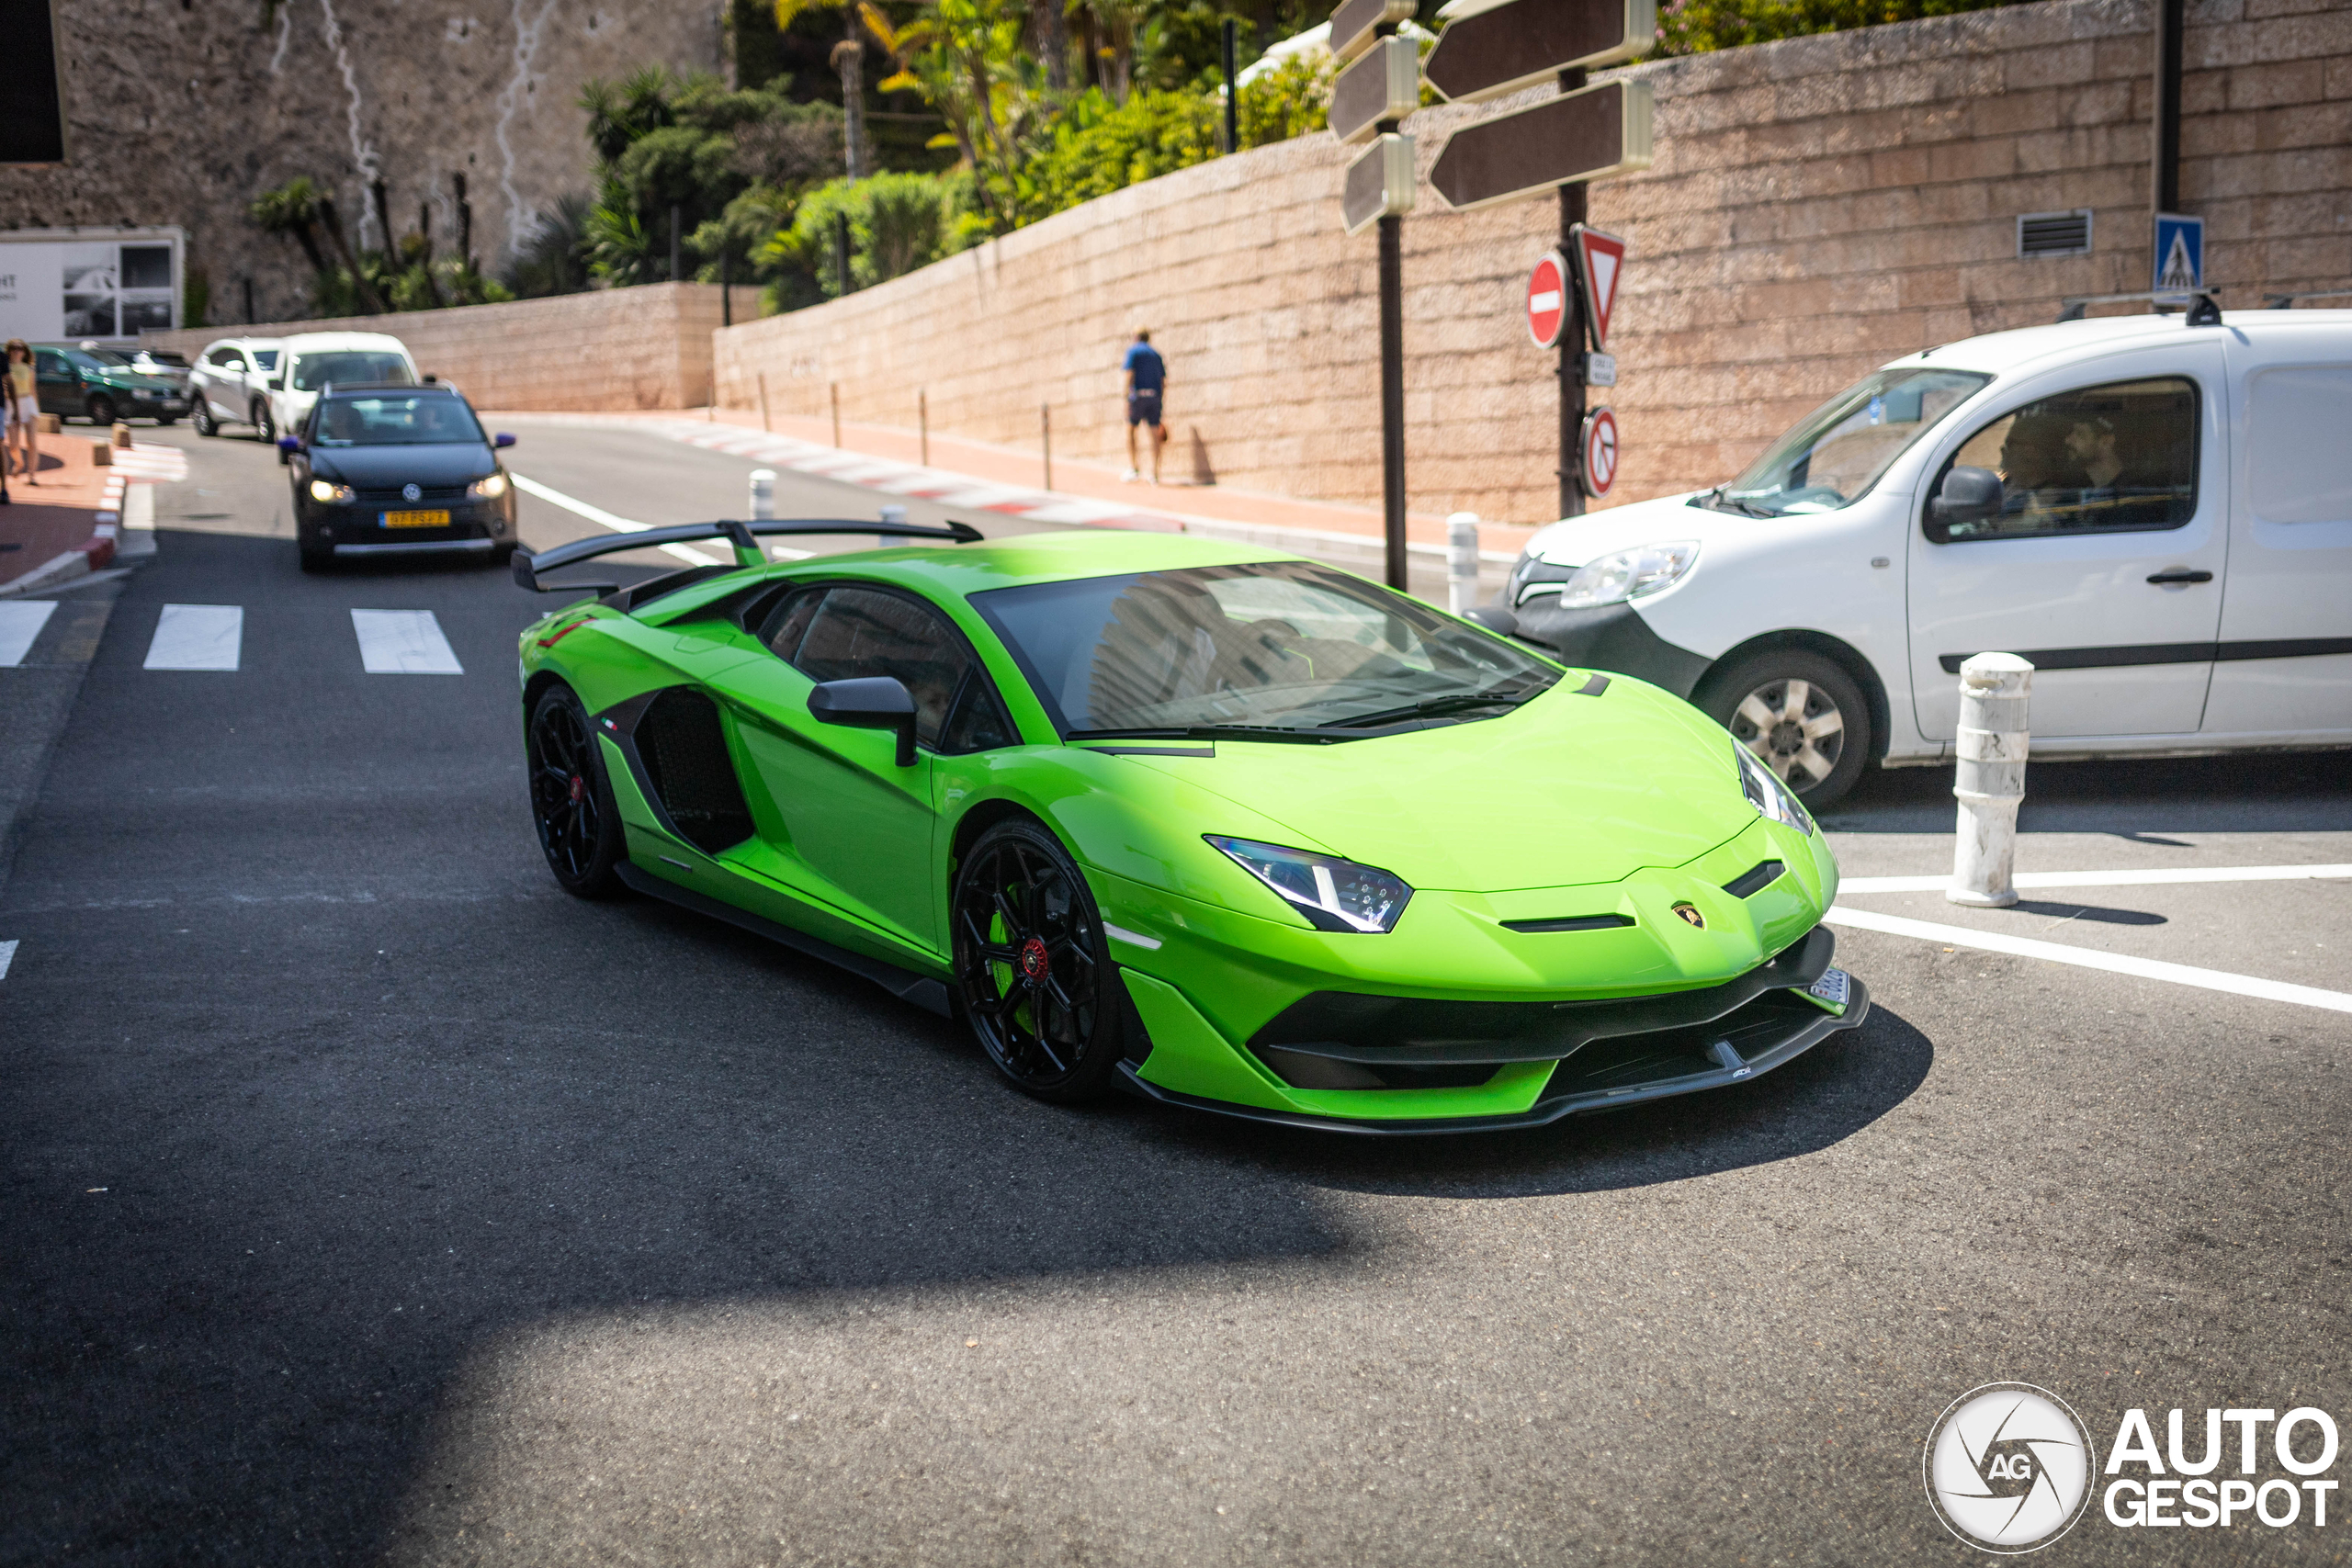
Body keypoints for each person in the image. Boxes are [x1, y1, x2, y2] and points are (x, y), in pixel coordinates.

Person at [1120, 329, 1168, 484]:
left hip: (1138, 396)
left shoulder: (1133, 352)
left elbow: (1129, 374)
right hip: (1154, 396)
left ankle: (1134, 468)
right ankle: (1154, 473)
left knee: (1131, 430)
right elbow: (1163, 380)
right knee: (1154, 434)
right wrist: (1160, 399)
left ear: (1136, 337)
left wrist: (1126, 396)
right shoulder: (1156, 355)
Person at [4, 340, 36, 487]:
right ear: (9, 351)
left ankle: (32, 475)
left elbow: (33, 390)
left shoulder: (29, 369)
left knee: (31, 442)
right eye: (14, 348)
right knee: (13, 445)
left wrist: (37, 410)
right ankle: (19, 462)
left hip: (27, 402)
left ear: (24, 352)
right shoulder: (6, 368)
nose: (17, 351)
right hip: (11, 404)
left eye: (20, 348)